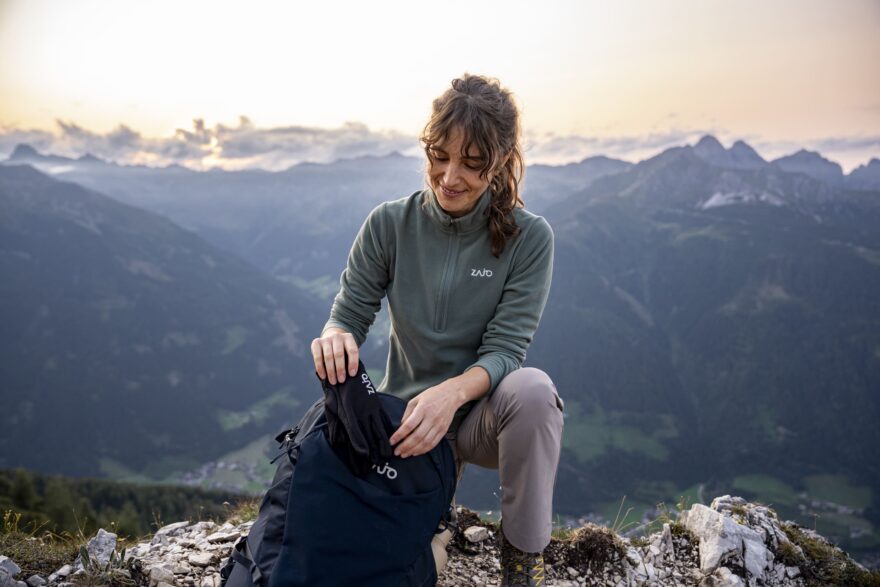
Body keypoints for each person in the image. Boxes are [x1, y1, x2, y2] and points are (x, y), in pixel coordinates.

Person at [310, 73, 564, 587]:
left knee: (535, 393)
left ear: (501, 161)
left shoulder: (529, 238)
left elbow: (506, 349)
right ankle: (434, 514)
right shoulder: (389, 224)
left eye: (472, 164)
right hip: (406, 425)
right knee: (393, 564)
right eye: (439, 156)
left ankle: (521, 563)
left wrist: (451, 395)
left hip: (479, 419)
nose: (449, 177)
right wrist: (336, 334)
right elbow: (350, 313)